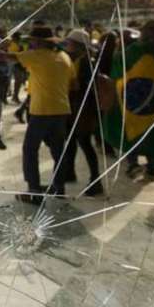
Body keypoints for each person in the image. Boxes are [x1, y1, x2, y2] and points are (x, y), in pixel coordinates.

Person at [0, 25, 74, 203]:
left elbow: (8, 57)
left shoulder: (37, 55)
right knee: (58, 152)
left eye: (32, 40)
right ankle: (59, 188)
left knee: (30, 150)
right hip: (62, 110)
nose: (31, 43)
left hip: (42, 111)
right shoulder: (64, 57)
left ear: (39, 42)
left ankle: (34, 192)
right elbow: (74, 83)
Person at [104, 19, 154, 182]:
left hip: (130, 104)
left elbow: (116, 75)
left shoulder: (131, 52)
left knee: (129, 133)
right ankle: (151, 168)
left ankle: (133, 165)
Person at [61, 29, 104, 196]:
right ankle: (70, 172)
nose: (67, 45)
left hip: (83, 109)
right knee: (71, 140)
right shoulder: (77, 59)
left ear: (78, 46)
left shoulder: (87, 62)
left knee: (85, 143)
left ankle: (96, 180)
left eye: (70, 42)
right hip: (73, 108)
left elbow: (85, 88)